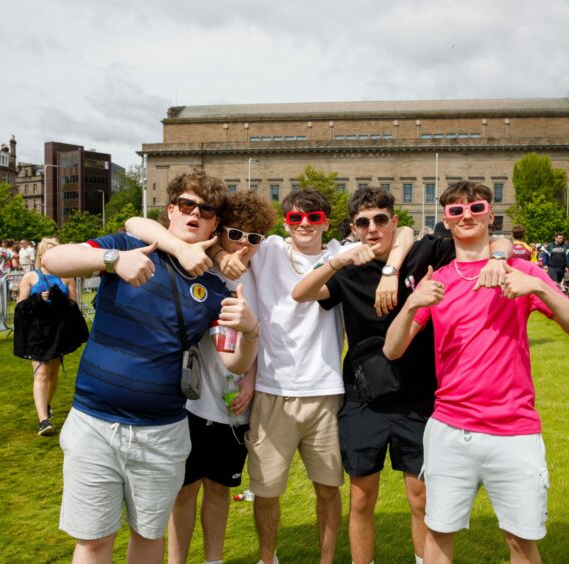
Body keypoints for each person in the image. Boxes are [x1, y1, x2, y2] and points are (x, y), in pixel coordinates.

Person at [42, 170, 259, 564]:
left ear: (214, 224)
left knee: (148, 538)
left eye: (207, 211)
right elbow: (52, 259)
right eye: (187, 205)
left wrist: (251, 330)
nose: (196, 214)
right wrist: (112, 260)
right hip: (95, 423)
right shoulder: (129, 245)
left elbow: (233, 361)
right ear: (171, 210)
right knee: (93, 541)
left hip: (161, 433)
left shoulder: (212, 288)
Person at [291, 186, 511, 564]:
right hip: (365, 397)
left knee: (421, 496)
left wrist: (500, 257)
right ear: (353, 228)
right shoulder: (349, 269)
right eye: (363, 222)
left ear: (394, 221)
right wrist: (338, 261)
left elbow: (498, 238)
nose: (373, 228)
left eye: (380, 219)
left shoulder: (424, 252)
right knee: (361, 497)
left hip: (420, 395)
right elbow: (301, 293)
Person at [383, 181, 569, 564]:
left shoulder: (521, 270)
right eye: (456, 211)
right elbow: (391, 349)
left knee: (521, 542)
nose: (467, 216)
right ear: (445, 220)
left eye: (476, 208)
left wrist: (539, 289)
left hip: (513, 430)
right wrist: (412, 303)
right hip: (450, 429)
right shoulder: (439, 281)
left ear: (491, 215)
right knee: (438, 534)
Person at [127, 191, 277, 564]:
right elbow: (135, 224)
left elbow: (257, 335)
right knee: (184, 489)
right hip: (191, 399)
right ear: (220, 230)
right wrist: (220, 256)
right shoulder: (196, 261)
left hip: (233, 403)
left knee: (219, 488)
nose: (245, 244)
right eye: (236, 233)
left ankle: (213, 560)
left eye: (254, 238)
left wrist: (251, 379)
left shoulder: (260, 273)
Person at [211, 188, 346, 564]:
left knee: (328, 488)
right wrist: (223, 255)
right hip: (272, 390)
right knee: (266, 490)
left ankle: (326, 560)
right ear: (286, 222)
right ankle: (267, 558)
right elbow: (215, 241)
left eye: (314, 217)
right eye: (295, 218)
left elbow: (401, 235)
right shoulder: (267, 248)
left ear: (326, 222)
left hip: (323, 391)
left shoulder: (340, 255)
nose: (304, 224)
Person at [16, 237, 78, 436]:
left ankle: (47, 404)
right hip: (37, 332)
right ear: (41, 255)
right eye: (48, 252)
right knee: (41, 373)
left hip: (58, 331)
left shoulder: (67, 277)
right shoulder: (30, 277)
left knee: (52, 373)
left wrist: (58, 299)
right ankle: (43, 420)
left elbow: (73, 306)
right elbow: (20, 308)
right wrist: (37, 299)